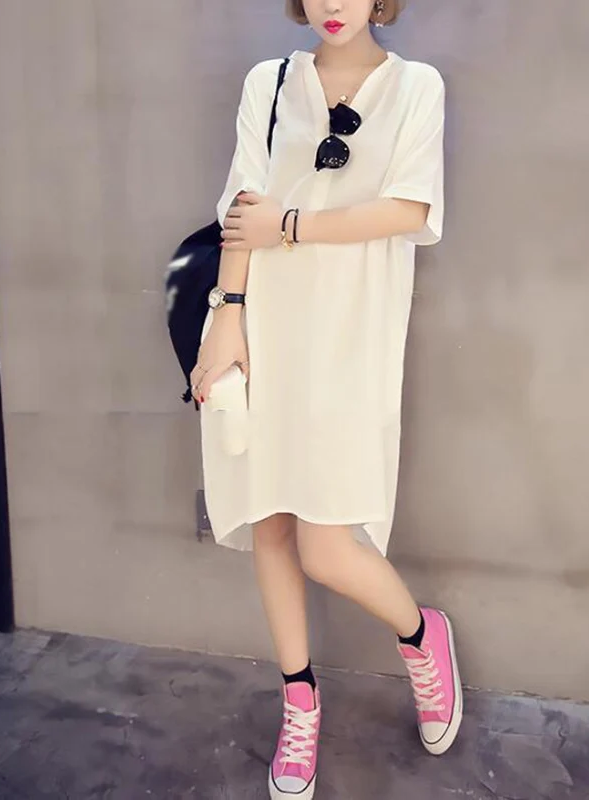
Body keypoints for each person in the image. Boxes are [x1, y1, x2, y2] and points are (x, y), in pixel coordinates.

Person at [190, 1, 461, 797]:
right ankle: (300, 701)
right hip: (262, 322)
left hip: (349, 332)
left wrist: (292, 224)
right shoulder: (269, 83)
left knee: (327, 545)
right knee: (270, 520)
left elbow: (409, 209)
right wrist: (226, 318)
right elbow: (241, 209)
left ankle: (422, 635)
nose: (332, 4)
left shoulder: (415, 86)